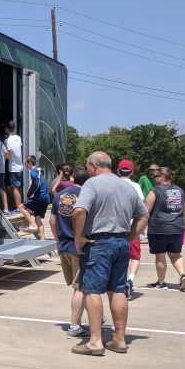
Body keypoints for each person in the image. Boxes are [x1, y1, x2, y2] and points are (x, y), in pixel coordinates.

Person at [71, 151, 149, 356]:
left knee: (92, 290)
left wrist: (78, 238)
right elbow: (143, 215)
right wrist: (130, 237)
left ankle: (95, 341)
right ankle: (119, 340)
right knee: (117, 290)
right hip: (121, 242)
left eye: (88, 167)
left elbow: (79, 211)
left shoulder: (92, 184)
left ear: (94, 166)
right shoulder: (127, 186)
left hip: (98, 243)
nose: (87, 170)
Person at [50, 166, 89, 337]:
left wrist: (58, 241)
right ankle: (75, 326)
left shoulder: (59, 195)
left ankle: (96, 316)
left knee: (81, 287)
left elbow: (52, 220)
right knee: (80, 288)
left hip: (64, 245)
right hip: (79, 247)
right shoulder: (86, 196)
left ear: (73, 178)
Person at [144, 167, 185, 290]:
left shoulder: (155, 191)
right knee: (175, 254)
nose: (154, 179)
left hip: (159, 228)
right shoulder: (180, 191)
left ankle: (162, 282)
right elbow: (184, 211)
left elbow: (146, 210)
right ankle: (182, 275)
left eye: (155, 176)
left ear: (163, 177)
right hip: (177, 227)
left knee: (160, 255)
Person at [117, 159, 143, 298]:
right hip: (132, 226)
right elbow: (141, 209)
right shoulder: (136, 186)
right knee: (135, 256)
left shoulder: (113, 184)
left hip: (116, 227)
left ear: (118, 171)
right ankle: (130, 280)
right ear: (132, 172)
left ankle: (119, 282)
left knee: (119, 257)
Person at [20, 154, 50, 238]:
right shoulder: (38, 171)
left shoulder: (33, 171)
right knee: (38, 219)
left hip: (40, 197)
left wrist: (29, 194)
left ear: (29, 162)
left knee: (21, 206)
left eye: (26, 163)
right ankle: (43, 240)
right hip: (45, 199)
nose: (25, 165)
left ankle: (32, 225)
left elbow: (36, 184)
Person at [4, 121, 23, 211]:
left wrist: (4, 155)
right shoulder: (18, 138)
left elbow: (8, 155)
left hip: (13, 166)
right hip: (19, 166)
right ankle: (19, 206)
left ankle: (18, 207)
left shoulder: (7, 140)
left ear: (7, 129)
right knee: (17, 187)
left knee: (15, 188)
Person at [0, 126, 9, 212]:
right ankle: (6, 208)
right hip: (1, 168)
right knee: (1, 188)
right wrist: (2, 160)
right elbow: (7, 153)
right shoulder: (0, 142)